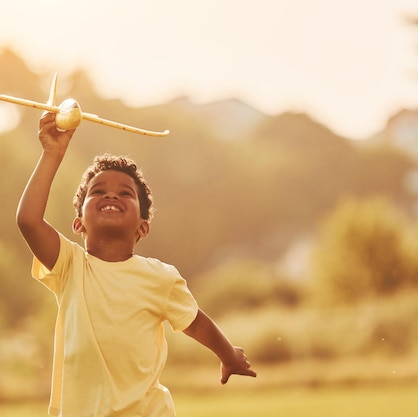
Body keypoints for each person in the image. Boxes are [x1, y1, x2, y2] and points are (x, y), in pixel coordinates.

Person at [16, 111, 256, 417]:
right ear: (78, 223)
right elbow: (28, 221)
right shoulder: (70, 265)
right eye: (98, 192)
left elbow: (195, 322)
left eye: (125, 193)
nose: (111, 194)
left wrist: (228, 355)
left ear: (142, 226)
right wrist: (52, 154)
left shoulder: (161, 277)